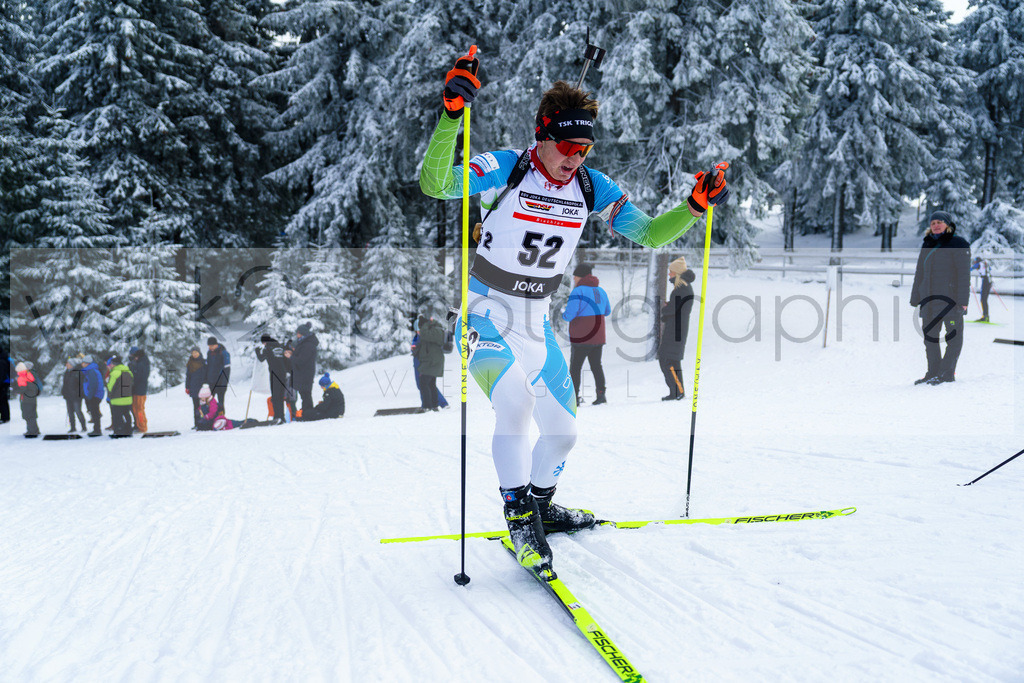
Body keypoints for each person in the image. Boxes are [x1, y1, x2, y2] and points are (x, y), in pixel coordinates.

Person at [419, 54, 729, 574]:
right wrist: (452, 114)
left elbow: (650, 234)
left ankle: (543, 507)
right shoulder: (506, 167)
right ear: (542, 134)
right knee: (515, 405)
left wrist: (694, 206)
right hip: (485, 311)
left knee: (563, 433)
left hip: (535, 321)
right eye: (566, 147)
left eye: (584, 149)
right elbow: (435, 184)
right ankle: (521, 520)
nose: (575, 158)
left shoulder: (591, 186)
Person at [910, 211, 971, 385]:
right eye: (933, 223)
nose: (936, 225)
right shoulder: (928, 244)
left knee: (953, 338)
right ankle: (933, 372)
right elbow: (920, 272)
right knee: (930, 338)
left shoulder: (959, 244)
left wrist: (963, 302)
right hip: (929, 300)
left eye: (939, 222)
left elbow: (964, 275)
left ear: (948, 224)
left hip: (951, 301)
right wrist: (915, 296)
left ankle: (946, 373)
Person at [562, 263, 611, 406]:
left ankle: (574, 398)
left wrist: (563, 313)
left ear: (581, 276)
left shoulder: (578, 291)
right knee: (596, 366)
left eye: (575, 276)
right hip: (598, 336)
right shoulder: (600, 291)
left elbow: (569, 315)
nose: (574, 279)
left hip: (581, 337)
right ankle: (601, 395)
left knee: (575, 368)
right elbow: (607, 311)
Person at [658, 258, 697, 401]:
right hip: (677, 329)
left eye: (671, 272)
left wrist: (665, 309)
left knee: (666, 359)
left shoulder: (681, 290)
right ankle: (677, 391)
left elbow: (673, 309)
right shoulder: (683, 288)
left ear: (677, 273)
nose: (669, 274)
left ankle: (677, 391)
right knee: (671, 360)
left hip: (675, 330)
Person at [412, 323, 449, 409]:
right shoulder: (422, 336)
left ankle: (429, 406)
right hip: (425, 361)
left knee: (424, 384)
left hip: (426, 362)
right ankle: (433, 405)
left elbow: (423, 348)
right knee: (429, 384)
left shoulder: (429, 335)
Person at [256, 334, 291, 425]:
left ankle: (277, 416)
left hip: (274, 374)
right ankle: (282, 417)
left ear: (264, 342)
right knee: (280, 396)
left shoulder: (268, 348)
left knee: (275, 397)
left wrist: (257, 351)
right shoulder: (280, 347)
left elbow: (261, 358)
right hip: (283, 374)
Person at [291, 322, 319, 416]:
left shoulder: (307, 345)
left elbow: (302, 360)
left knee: (305, 394)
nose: (297, 334)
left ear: (302, 333)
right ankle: (306, 411)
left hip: (305, 373)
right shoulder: (305, 343)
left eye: (298, 333)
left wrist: (291, 357)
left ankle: (308, 412)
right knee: (304, 394)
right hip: (304, 373)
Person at [105, 354, 134, 436]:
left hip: (117, 399)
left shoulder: (114, 373)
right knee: (127, 415)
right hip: (128, 398)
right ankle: (128, 431)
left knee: (117, 417)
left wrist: (109, 395)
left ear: (114, 364)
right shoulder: (129, 372)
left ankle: (119, 432)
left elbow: (110, 387)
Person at [13, 361, 40, 436]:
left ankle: (31, 432)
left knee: (28, 415)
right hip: (32, 398)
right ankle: (35, 430)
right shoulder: (29, 374)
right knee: (32, 415)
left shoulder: (21, 377)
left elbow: (23, 389)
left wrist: (15, 391)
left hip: (26, 399)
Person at [61, 357, 88, 432]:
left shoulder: (78, 372)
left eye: (68, 363)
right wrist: (64, 392)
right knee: (70, 412)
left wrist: (78, 394)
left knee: (78, 411)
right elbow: (65, 384)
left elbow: (81, 385)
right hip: (68, 395)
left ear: (72, 364)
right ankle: (73, 427)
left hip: (76, 396)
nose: (66, 365)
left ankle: (83, 427)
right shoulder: (67, 372)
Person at [205, 337, 231, 413]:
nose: (210, 348)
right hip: (211, 381)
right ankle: (210, 417)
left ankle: (221, 417)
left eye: (212, 346)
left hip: (221, 381)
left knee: (220, 402)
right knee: (209, 402)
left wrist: (224, 383)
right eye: (209, 346)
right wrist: (206, 380)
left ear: (216, 344)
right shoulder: (209, 353)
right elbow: (208, 367)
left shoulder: (224, 353)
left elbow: (227, 369)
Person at [81, 356, 105, 436]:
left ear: (87, 363)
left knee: (94, 413)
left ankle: (97, 430)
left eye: (83, 363)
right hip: (95, 394)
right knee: (94, 412)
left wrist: (90, 395)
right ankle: (96, 429)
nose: (82, 364)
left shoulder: (91, 371)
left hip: (94, 395)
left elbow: (93, 384)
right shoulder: (91, 370)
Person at [128, 346, 150, 433]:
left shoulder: (142, 363)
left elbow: (138, 377)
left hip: (140, 390)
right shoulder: (141, 362)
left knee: (139, 409)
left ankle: (142, 426)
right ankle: (138, 425)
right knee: (136, 408)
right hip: (137, 389)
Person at [184, 347, 207, 429]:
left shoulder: (204, 362)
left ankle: (205, 423)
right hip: (193, 387)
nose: (194, 354)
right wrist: (187, 387)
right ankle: (197, 423)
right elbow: (188, 376)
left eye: (196, 352)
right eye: (193, 353)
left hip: (203, 387)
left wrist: (207, 385)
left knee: (204, 406)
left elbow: (207, 374)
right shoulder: (190, 363)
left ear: (199, 353)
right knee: (196, 407)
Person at [970, 256, 992, 323]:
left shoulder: (978, 264)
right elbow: (990, 269)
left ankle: (985, 317)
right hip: (989, 281)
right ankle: (986, 316)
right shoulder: (984, 263)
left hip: (985, 281)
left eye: (975, 261)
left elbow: (970, 269)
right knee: (984, 299)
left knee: (983, 299)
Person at [1, 353, 12, 424]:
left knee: (2, 401)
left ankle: (5, 418)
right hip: (5, 382)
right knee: (3, 400)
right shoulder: (4, 359)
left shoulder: (2, 361)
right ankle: (5, 417)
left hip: (3, 383)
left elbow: (1, 374)